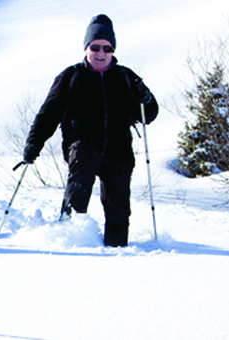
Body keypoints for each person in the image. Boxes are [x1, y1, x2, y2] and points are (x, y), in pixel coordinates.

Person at [19, 14, 159, 247]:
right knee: (80, 179)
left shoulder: (126, 77)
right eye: (95, 47)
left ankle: (117, 252)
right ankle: (69, 238)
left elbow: (149, 114)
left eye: (107, 48)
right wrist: (33, 145)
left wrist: (146, 99)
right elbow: (48, 114)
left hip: (119, 152)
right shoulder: (71, 77)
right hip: (83, 146)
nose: (101, 54)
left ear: (113, 50)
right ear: (86, 48)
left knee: (119, 211)